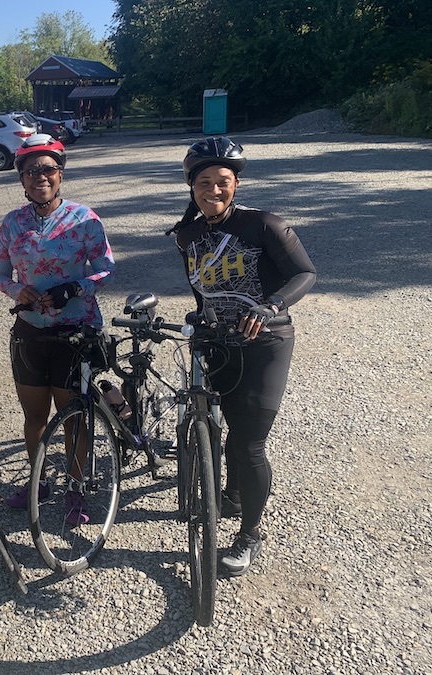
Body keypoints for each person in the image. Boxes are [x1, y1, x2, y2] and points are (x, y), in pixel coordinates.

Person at [171, 137, 316, 576]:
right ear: (191, 187)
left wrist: (270, 307)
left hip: (265, 342)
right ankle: (229, 495)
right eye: (204, 183)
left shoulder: (264, 225)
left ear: (236, 184)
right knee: (215, 428)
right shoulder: (186, 235)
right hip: (216, 342)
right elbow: (200, 288)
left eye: (223, 182)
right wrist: (200, 317)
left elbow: (305, 272)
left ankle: (250, 534)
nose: (213, 191)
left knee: (247, 442)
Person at [0, 134, 115, 524]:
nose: (40, 177)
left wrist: (77, 287)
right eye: (31, 171)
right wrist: (17, 289)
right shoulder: (12, 223)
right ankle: (39, 482)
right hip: (31, 329)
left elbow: (106, 266)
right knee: (34, 416)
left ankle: (75, 489)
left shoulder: (84, 218)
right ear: (22, 179)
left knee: (73, 416)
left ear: (60, 174)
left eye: (48, 169)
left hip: (74, 331)